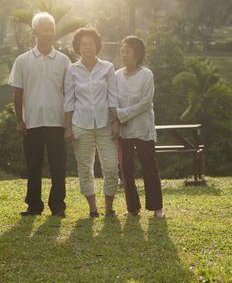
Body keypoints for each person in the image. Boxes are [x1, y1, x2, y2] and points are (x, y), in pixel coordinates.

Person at [8, 12, 70, 217]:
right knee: (33, 166)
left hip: (56, 122)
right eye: (45, 29)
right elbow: (17, 93)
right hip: (31, 122)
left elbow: (69, 93)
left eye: (52, 29)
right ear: (35, 32)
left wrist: (68, 124)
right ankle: (34, 205)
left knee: (58, 166)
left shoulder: (63, 61)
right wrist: (19, 120)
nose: (50, 33)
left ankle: (58, 206)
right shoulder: (23, 60)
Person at [64, 27, 119, 218]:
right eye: (83, 44)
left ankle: (109, 207)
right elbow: (69, 100)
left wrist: (115, 122)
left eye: (91, 44)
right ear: (78, 47)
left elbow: (113, 97)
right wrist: (68, 127)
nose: (87, 47)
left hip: (105, 125)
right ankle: (93, 209)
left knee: (111, 168)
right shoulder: (72, 70)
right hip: (81, 125)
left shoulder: (108, 68)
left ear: (97, 46)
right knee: (85, 169)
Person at [111, 35, 164, 218]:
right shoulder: (116, 75)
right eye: (122, 51)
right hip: (124, 131)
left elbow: (145, 103)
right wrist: (117, 119)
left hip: (143, 129)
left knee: (149, 167)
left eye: (127, 51)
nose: (124, 54)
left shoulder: (146, 75)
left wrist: (121, 115)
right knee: (125, 169)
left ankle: (157, 207)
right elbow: (113, 101)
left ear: (137, 53)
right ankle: (132, 208)